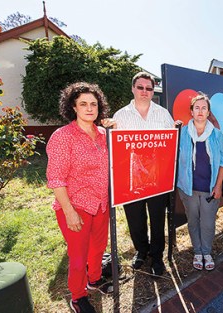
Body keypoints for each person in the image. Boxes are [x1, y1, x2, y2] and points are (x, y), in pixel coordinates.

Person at [46, 82, 112, 313]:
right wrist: (69, 212)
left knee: (98, 248)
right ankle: (78, 296)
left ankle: (94, 280)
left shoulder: (104, 134)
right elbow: (56, 179)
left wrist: (114, 128)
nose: (89, 108)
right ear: (73, 107)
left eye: (93, 104)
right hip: (75, 206)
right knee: (77, 256)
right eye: (83, 103)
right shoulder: (63, 136)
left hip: (101, 204)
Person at [109, 72, 175, 276]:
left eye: (149, 88)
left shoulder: (163, 114)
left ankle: (157, 256)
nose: (145, 91)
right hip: (131, 179)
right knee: (135, 220)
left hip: (157, 179)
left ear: (153, 91)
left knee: (157, 219)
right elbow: (115, 148)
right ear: (132, 89)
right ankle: (141, 251)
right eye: (140, 87)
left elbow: (172, 143)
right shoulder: (120, 115)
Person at [177, 93, 223, 271]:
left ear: (208, 112)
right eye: (196, 107)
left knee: (207, 223)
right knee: (193, 221)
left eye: (203, 108)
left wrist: (219, 185)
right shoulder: (181, 134)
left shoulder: (217, 135)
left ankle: (207, 252)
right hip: (188, 189)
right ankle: (197, 252)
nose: (200, 111)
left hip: (210, 189)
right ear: (191, 111)